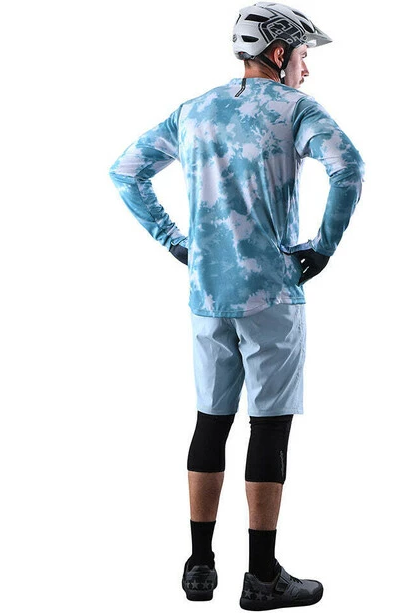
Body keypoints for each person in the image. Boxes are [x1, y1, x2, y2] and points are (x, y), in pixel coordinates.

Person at [108, 2, 364, 609]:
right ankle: (263, 577)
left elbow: (126, 171)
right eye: (303, 55)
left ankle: (199, 566)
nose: (307, 69)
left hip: (206, 293)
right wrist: (323, 247)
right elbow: (348, 168)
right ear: (278, 53)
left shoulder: (193, 111)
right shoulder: (295, 109)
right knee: (269, 429)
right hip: (271, 292)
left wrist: (177, 242)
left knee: (210, 422)